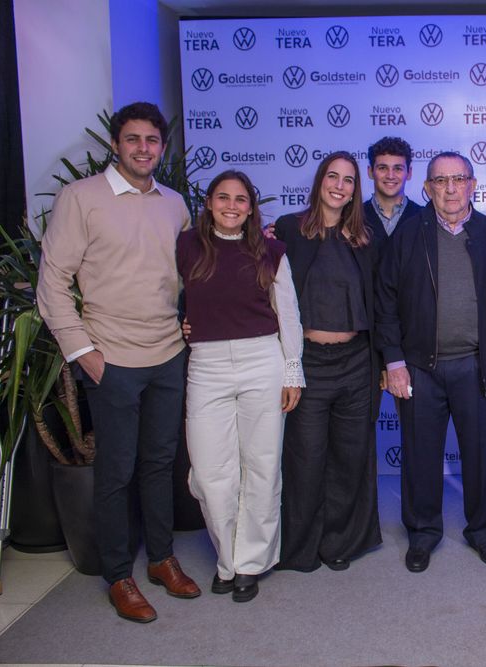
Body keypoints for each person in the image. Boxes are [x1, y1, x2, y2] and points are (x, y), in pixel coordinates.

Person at [37, 101, 200, 622]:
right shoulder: (80, 198)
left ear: (162, 146)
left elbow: (184, 276)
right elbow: (52, 282)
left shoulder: (175, 203)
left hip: (168, 354)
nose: (143, 149)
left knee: (159, 465)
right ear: (115, 144)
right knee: (115, 471)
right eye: (133, 139)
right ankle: (118, 575)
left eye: (152, 141)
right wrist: (84, 353)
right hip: (111, 359)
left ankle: (160, 559)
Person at [376, 151, 486, 573]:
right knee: (419, 455)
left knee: (481, 454)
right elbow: (385, 300)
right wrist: (394, 361)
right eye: (440, 181)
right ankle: (423, 533)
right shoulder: (408, 233)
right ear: (428, 187)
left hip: (475, 365)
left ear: (472, 185)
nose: (450, 188)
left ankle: (482, 530)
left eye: (458, 179)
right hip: (420, 367)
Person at [176, 170, 303, 603]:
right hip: (207, 365)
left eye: (241, 199)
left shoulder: (271, 251)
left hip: (261, 359)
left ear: (251, 207)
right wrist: (180, 322)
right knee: (211, 473)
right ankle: (225, 558)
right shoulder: (186, 245)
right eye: (223, 197)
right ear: (209, 202)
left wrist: (292, 372)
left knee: (263, 465)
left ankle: (250, 562)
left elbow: (288, 315)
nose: (232, 205)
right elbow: (166, 297)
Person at [273, 151, 382, 572]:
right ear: (320, 181)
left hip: (357, 362)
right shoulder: (288, 230)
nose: (340, 185)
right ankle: (301, 547)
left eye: (349, 180)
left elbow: (384, 301)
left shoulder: (367, 237)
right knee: (305, 456)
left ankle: (341, 542)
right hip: (309, 363)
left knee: (351, 456)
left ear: (358, 189)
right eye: (333, 177)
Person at [363, 136, 424, 247]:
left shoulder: (424, 218)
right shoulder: (353, 218)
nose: (390, 176)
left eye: (398, 169)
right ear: (370, 172)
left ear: (409, 173)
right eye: (382, 168)